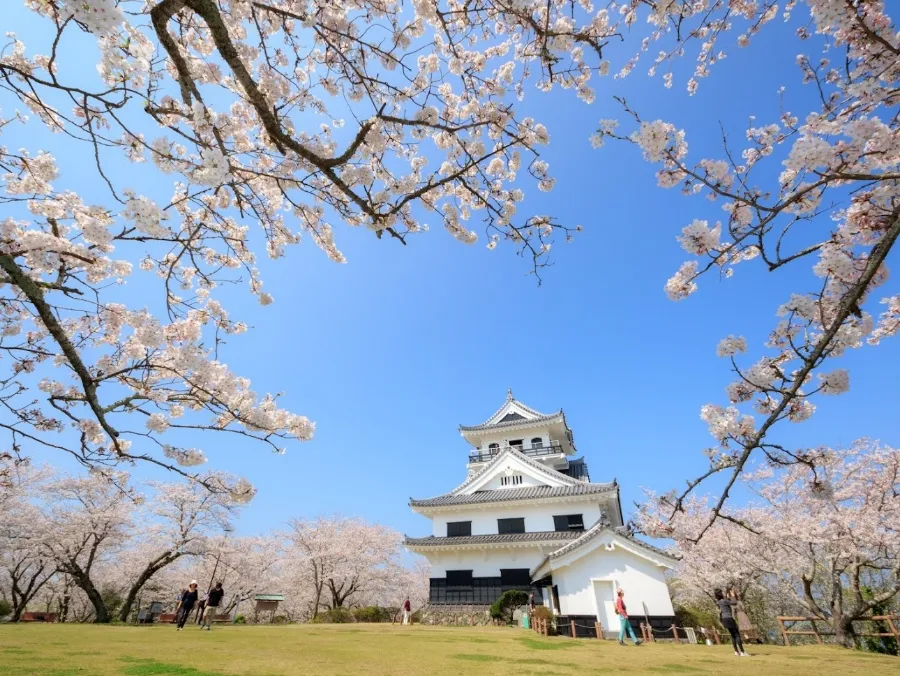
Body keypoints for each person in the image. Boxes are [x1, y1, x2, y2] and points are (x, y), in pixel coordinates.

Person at [715, 589, 749, 656]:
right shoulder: (724, 601)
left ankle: (736, 651)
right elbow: (734, 602)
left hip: (724, 619)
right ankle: (742, 652)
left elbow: (727, 602)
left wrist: (728, 597)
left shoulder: (718, 602)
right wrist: (733, 596)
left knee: (733, 636)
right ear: (721, 594)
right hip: (729, 618)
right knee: (737, 635)